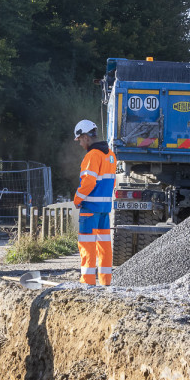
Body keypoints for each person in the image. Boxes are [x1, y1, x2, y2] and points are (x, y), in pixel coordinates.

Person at [72, 120, 116, 286]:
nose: (81, 144)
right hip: (104, 209)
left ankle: (87, 283)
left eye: (80, 140)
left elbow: (89, 182)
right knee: (104, 246)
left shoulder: (92, 156)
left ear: (85, 137)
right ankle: (106, 282)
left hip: (90, 208)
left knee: (87, 246)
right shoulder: (110, 155)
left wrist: (77, 199)